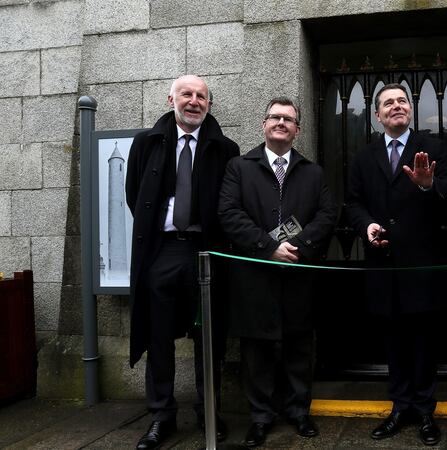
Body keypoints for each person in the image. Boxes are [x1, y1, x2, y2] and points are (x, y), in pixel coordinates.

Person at [126, 75, 240, 449]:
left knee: (209, 337)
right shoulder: (146, 143)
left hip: (205, 251)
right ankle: (161, 416)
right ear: (170, 99)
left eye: (201, 96)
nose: (194, 101)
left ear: (209, 103)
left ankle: (209, 410)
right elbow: (135, 195)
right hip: (161, 251)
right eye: (187, 95)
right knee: (158, 335)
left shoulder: (226, 148)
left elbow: (230, 203)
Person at [218, 96, 337, 447]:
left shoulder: (312, 172)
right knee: (257, 351)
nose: (281, 123)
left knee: (300, 346)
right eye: (274, 117)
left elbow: (328, 214)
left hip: (299, 273)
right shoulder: (239, 167)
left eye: (288, 119)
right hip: (255, 276)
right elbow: (228, 214)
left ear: (297, 129)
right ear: (264, 124)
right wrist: (269, 247)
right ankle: (260, 417)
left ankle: (299, 412)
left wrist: (297, 246)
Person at [345, 83, 447, 446]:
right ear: (377, 115)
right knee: (393, 341)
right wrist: (367, 226)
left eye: (402, 101)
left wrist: (428, 186)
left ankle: (426, 411)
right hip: (382, 264)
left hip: (423, 265)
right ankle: (400, 407)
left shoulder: (436, 147)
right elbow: (353, 202)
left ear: (410, 109)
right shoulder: (364, 156)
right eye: (388, 103)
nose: (396, 107)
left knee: (424, 340)